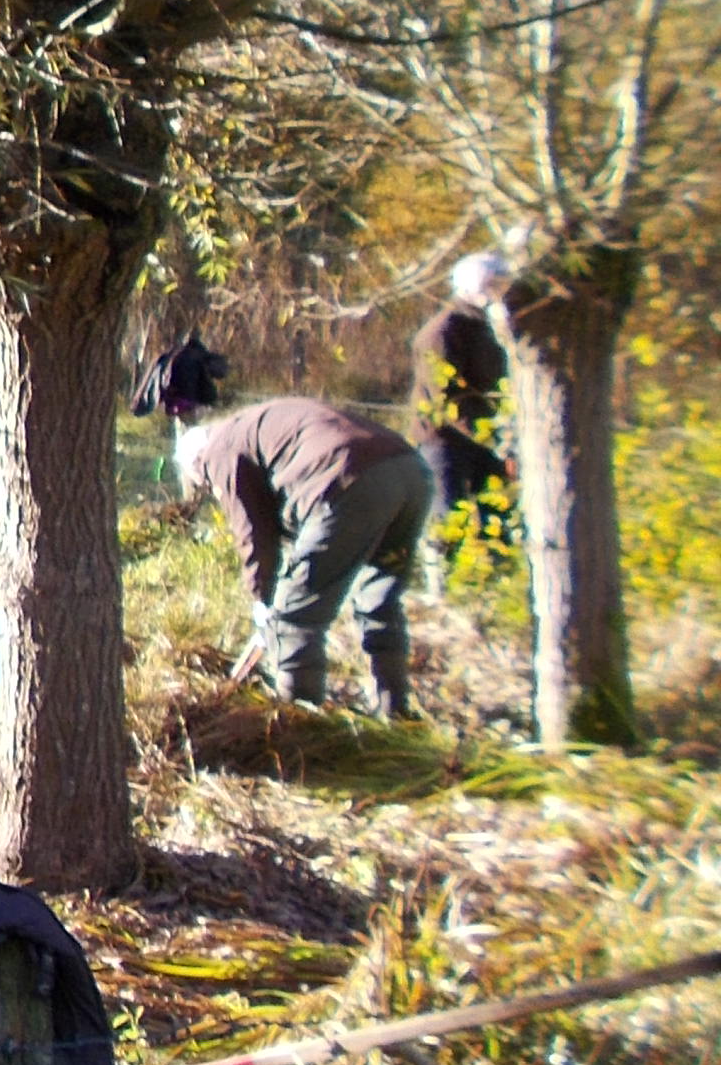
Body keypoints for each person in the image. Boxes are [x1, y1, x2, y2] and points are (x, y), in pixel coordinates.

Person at [174, 399, 434, 718]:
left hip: (348, 478)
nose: (212, 490)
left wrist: (263, 601)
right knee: (378, 603)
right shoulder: (250, 426)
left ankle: (300, 724)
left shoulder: (217, 452)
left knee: (293, 619)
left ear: (197, 465)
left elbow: (254, 534)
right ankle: (395, 711)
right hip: (411, 473)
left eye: (205, 485)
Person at [412, 252, 513, 551]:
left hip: (486, 438)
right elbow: (448, 402)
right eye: (492, 285)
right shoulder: (442, 333)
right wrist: (495, 441)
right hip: (443, 439)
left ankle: (494, 583)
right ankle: (441, 592)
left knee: (498, 517)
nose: (498, 292)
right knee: (448, 521)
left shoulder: (494, 328)